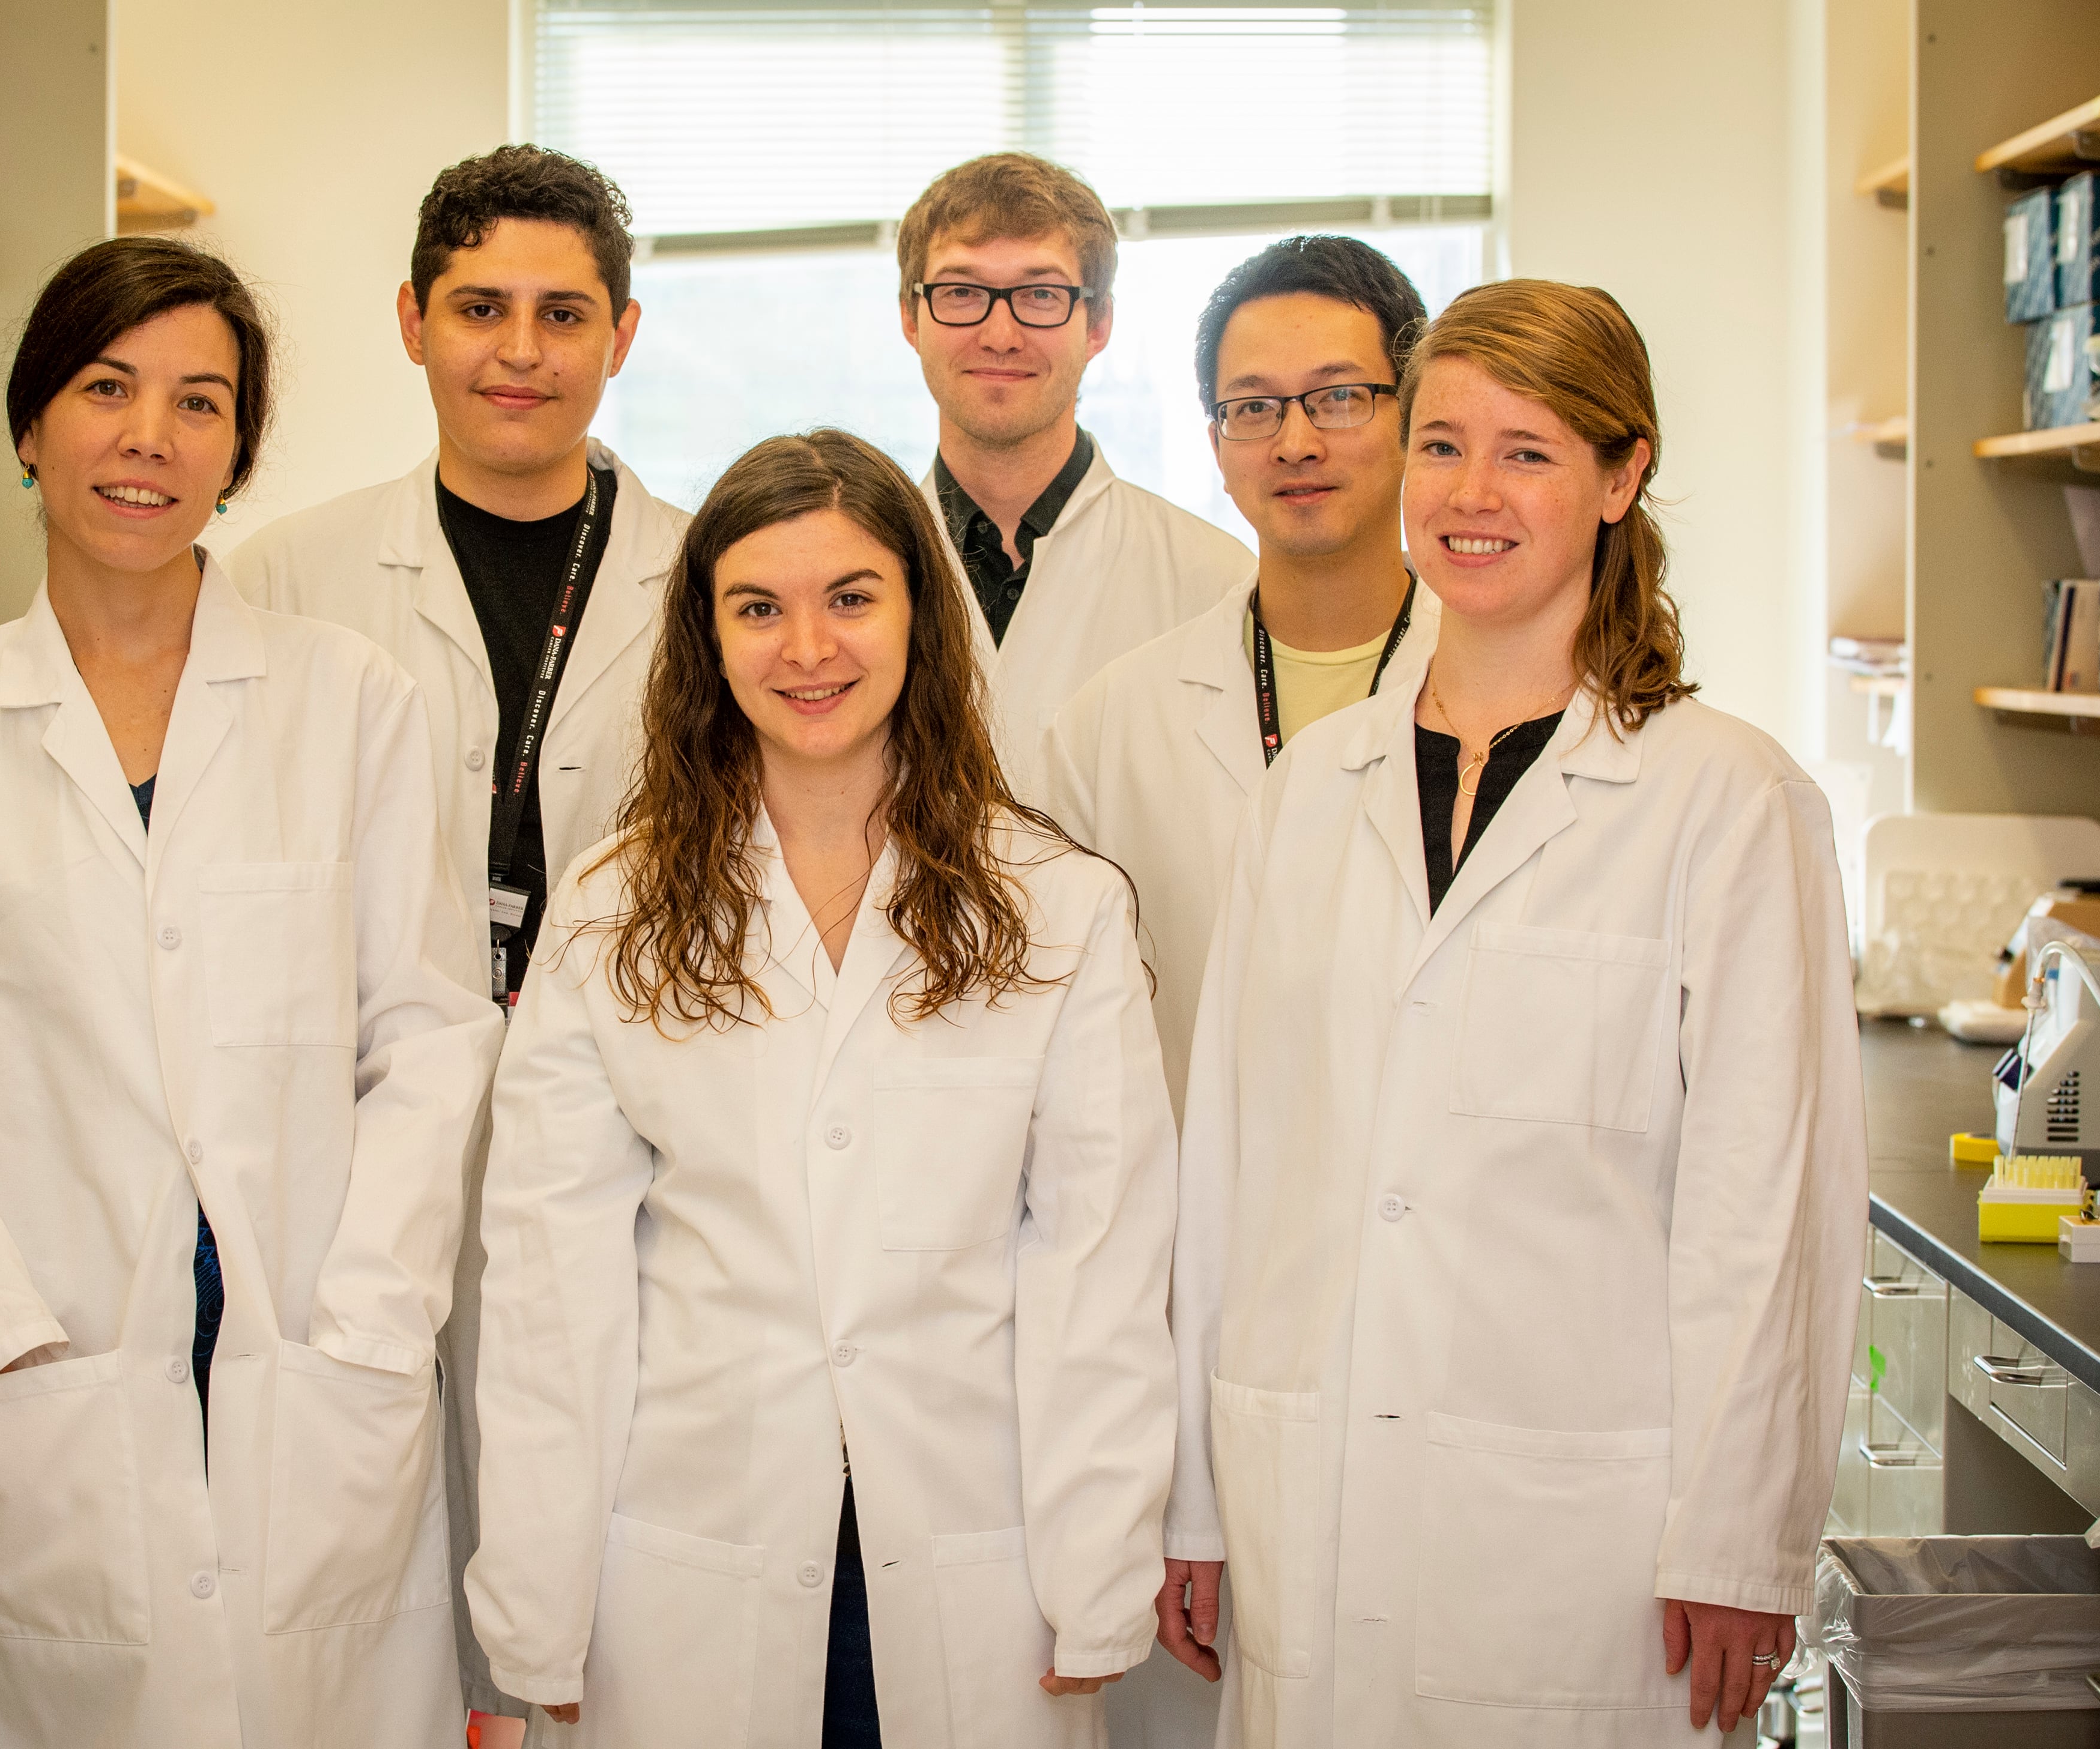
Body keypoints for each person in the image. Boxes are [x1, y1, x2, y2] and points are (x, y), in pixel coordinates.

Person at [0, 236, 503, 1748]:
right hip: (60, 1375)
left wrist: (371, 1315)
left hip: (312, 1361)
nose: (149, 440)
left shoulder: (348, 700)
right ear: (33, 422)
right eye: (108, 390)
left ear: (236, 454)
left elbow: (429, 1039)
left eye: (201, 403)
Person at [1169, 280, 1866, 1748]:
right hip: (1307, 1488)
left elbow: (1770, 1205)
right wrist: (1194, 1491)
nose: (1469, 495)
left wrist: (1740, 1540)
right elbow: (1228, 1169)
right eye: (1439, 446)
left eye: (1528, 453)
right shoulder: (1312, 788)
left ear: (1620, 477)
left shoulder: (1724, 800)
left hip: (1587, 1542)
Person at [467, 429, 1179, 1747]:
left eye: (851, 597)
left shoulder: (1059, 908)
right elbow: (548, 1287)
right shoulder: (610, 910)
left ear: (920, 612)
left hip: (980, 1553)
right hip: (684, 1551)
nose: (808, 648)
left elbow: (1099, 1268)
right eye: (759, 607)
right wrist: (533, 1601)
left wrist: (1095, 1575)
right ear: (706, 635)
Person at [228, 145, 690, 1737]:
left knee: (597, 1557)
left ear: (623, 334)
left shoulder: (707, 578)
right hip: (355, 1138)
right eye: (481, 306)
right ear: (413, 319)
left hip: (635, 1143)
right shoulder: (287, 576)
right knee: (367, 1570)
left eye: (564, 313)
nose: (520, 349)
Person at [1041, 232, 1441, 1749]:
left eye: (1338, 395)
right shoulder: (1116, 721)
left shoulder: (1498, 695)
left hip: (1435, 1295)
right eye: (1250, 405)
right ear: (1210, 441)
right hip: (1182, 1303)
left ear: (1411, 413)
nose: (1296, 438)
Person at [898, 152, 1251, 800]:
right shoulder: (855, 573)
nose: (998, 334)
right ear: (910, 319)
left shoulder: (1217, 584)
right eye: (961, 293)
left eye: (1039, 295)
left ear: (1098, 323)